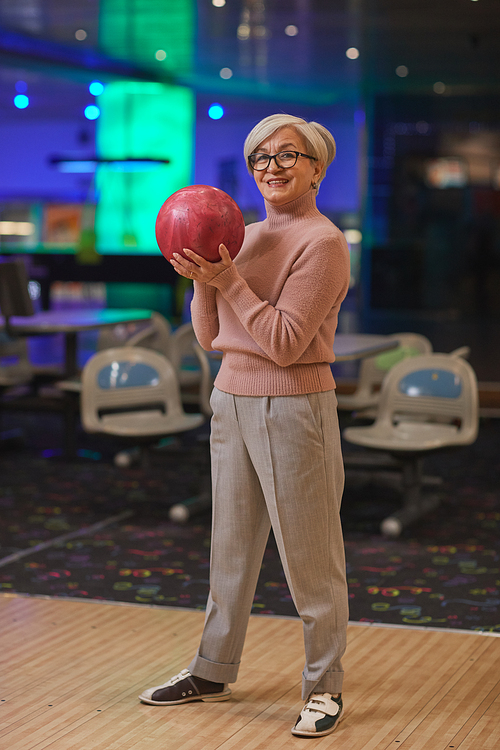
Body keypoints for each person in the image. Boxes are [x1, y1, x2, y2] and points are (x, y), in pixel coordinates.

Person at [139, 113, 351, 738]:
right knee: (229, 552)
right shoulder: (244, 234)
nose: (271, 166)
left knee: (311, 561)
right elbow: (210, 338)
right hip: (230, 400)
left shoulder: (324, 243)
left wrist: (226, 278)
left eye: (289, 155)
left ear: (316, 168)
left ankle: (324, 687)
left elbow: (286, 343)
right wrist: (203, 282)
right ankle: (211, 669)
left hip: (294, 406)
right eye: (261, 156)